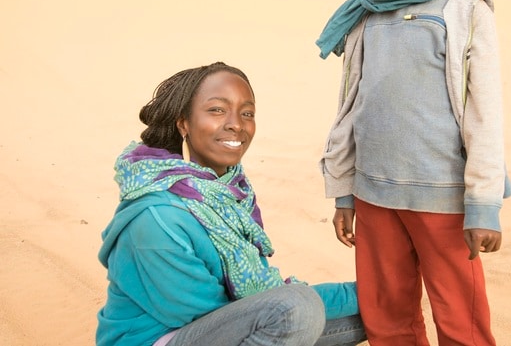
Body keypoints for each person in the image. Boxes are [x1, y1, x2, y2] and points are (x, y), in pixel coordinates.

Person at [315, 0, 511, 346]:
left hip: (443, 196)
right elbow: (351, 106)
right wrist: (344, 192)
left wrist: (483, 204)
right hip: (374, 193)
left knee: (461, 320)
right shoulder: (366, 11)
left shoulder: (465, 9)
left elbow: (485, 112)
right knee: (387, 317)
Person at [96, 61, 367, 346]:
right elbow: (219, 313)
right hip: (165, 337)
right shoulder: (157, 219)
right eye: (217, 110)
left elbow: (255, 307)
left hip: (220, 329)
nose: (236, 124)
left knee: (375, 313)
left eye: (246, 113)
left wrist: (371, 293)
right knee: (296, 310)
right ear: (183, 123)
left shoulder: (225, 195)